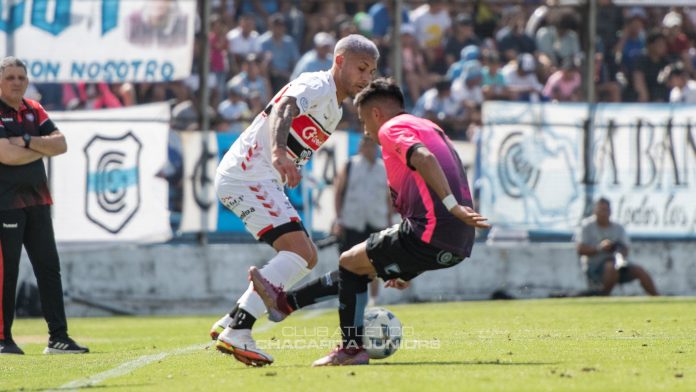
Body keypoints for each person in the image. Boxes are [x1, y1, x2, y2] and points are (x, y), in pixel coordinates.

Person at [250, 78, 490, 366]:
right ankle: (286, 304)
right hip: (458, 241)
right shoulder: (430, 127)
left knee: (349, 262)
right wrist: (408, 270)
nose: (365, 131)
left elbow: (424, 158)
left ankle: (349, 348)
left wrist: (453, 207)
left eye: (364, 121)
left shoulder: (391, 128)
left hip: (433, 229)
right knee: (357, 267)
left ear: (376, 114)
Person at [210, 34, 379, 367]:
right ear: (340, 61)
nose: (366, 78)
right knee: (299, 253)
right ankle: (240, 331)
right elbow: (283, 108)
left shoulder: (335, 105)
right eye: (361, 68)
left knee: (308, 255)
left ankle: (232, 321)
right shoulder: (316, 86)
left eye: (371, 72)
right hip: (249, 176)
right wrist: (277, 153)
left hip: (257, 179)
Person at [0, 57, 88, 355]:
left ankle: (58, 338)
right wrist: (40, 146)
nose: (16, 82)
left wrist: (24, 140)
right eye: (10, 77)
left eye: (20, 77)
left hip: (38, 200)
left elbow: (61, 144)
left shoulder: (34, 109)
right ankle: (3, 339)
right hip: (5, 204)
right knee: (6, 272)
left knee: (49, 268)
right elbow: (5, 156)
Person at [332, 137, 391, 306]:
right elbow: (338, 192)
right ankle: (348, 298)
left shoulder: (383, 168)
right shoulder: (350, 165)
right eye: (365, 144)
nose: (368, 148)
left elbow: (388, 198)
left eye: (371, 145)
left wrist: (388, 222)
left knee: (374, 263)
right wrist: (338, 219)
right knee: (349, 262)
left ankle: (374, 299)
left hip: (376, 222)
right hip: (352, 222)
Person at [576, 198, 658, 296]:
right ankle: (604, 296)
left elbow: (626, 249)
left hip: (618, 265)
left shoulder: (618, 227)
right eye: (601, 210)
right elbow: (580, 249)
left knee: (639, 271)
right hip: (595, 268)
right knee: (610, 267)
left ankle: (657, 298)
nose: (604, 213)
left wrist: (617, 250)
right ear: (595, 211)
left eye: (606, 210)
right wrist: (600, 248)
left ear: (610, 212)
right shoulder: (586, 226)